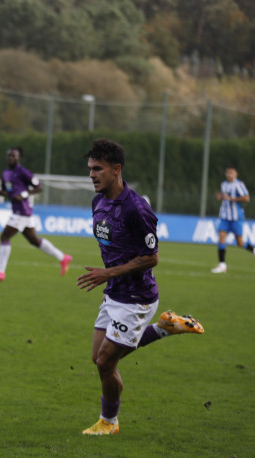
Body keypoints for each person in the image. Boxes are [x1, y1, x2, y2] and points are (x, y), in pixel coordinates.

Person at [77, 139, 205, 436]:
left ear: (116, 169)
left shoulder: (137, 209)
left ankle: (108, 423)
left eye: (98, 169)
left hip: (137, 298)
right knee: (98, 358)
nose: (92, 175)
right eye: (90, 169)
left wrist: (108, 273)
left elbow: (151, 257)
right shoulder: (98, 202)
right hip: (114, 294)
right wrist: (110, 278)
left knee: (107, 362)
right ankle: (165, 327)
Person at [0, 147, 72, 280]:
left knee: (4, 237)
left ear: (19, 158)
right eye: (9, 156)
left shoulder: (23, 172)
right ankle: (62, 257)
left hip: (22, 211)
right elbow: (7, 192)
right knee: (34, 241)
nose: (10, 158)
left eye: (13, 156)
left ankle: (0, 272)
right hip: (20, 211)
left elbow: (39, 187)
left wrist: (24, 194)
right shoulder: (6, 173)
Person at [211, 166, 255, 273]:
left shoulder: (239, 185)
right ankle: (222, 265)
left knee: (239, 243)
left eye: (231, 173)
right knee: (221, 238)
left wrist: (232, 199)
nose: (229, 175)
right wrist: (221, 197)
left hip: (236, 218)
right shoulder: (224, 184)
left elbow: (247, 198)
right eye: (228, 173)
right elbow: (225, 197)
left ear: (236, 175)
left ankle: (254, 250)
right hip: (225, 217)